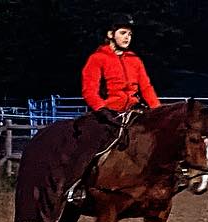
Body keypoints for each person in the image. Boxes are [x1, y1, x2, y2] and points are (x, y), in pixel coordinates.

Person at [65, 14, 162, 206]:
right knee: (91, 142)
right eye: (123, 33)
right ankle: (76, 186)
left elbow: (147, 88)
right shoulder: (97, 58)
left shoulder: (135, 60)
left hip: (134, 110)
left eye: (130, 34)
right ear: (111, 34)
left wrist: (158, 112)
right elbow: (89, 90)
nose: (127, 37)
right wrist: (102, 109)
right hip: (108, 112)